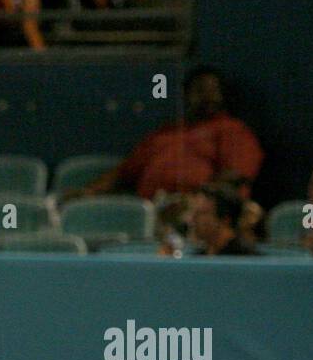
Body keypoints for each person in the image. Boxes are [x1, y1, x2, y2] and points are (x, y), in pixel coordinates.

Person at [70, 67, 263, 202]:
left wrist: (193, 200)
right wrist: (88, 192)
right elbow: (123, 173)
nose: (207, 97)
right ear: (186, 96)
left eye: (213, 91)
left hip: (202, 211)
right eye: (200, 91)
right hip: (151, 209)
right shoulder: (166, 132)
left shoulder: (232, 129)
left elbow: (236, 176)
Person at [190, 182, 258, 256]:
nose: (193, 219)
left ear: (225, 220)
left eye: (201, 214)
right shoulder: (197, 257)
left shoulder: (247, 259)